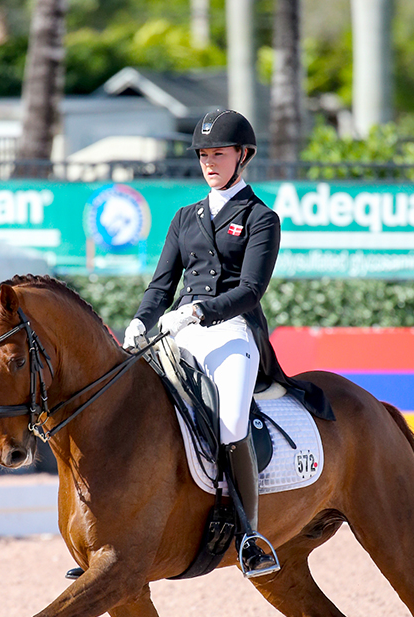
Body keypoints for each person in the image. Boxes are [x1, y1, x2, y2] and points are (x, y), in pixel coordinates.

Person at [122, 108, 333, 578]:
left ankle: (250, 533)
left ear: (242, 156)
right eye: (203, 155)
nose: (209, 162)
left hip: (233, 333)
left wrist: (200, 309)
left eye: (218, 153)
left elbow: (251, 290)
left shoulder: (261, 217)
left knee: (232, 420)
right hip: (179, 331)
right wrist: (140, 321)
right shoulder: (185, 217)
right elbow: (161, 285)